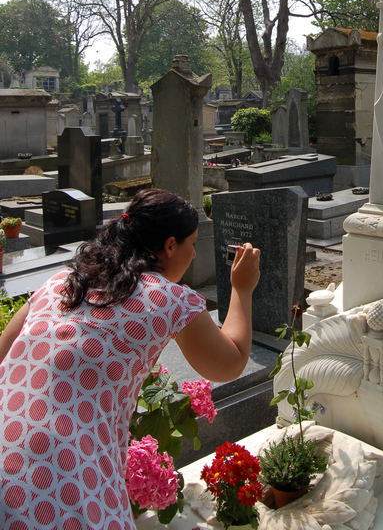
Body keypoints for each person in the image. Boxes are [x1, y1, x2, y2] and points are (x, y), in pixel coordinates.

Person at [0, 188, 260, 530]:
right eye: (192, 243)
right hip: (63, 479)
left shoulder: (58, 284)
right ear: (170, 246)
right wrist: (242, 288)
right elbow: (230, 363)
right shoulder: (166, 298)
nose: (194, 254)